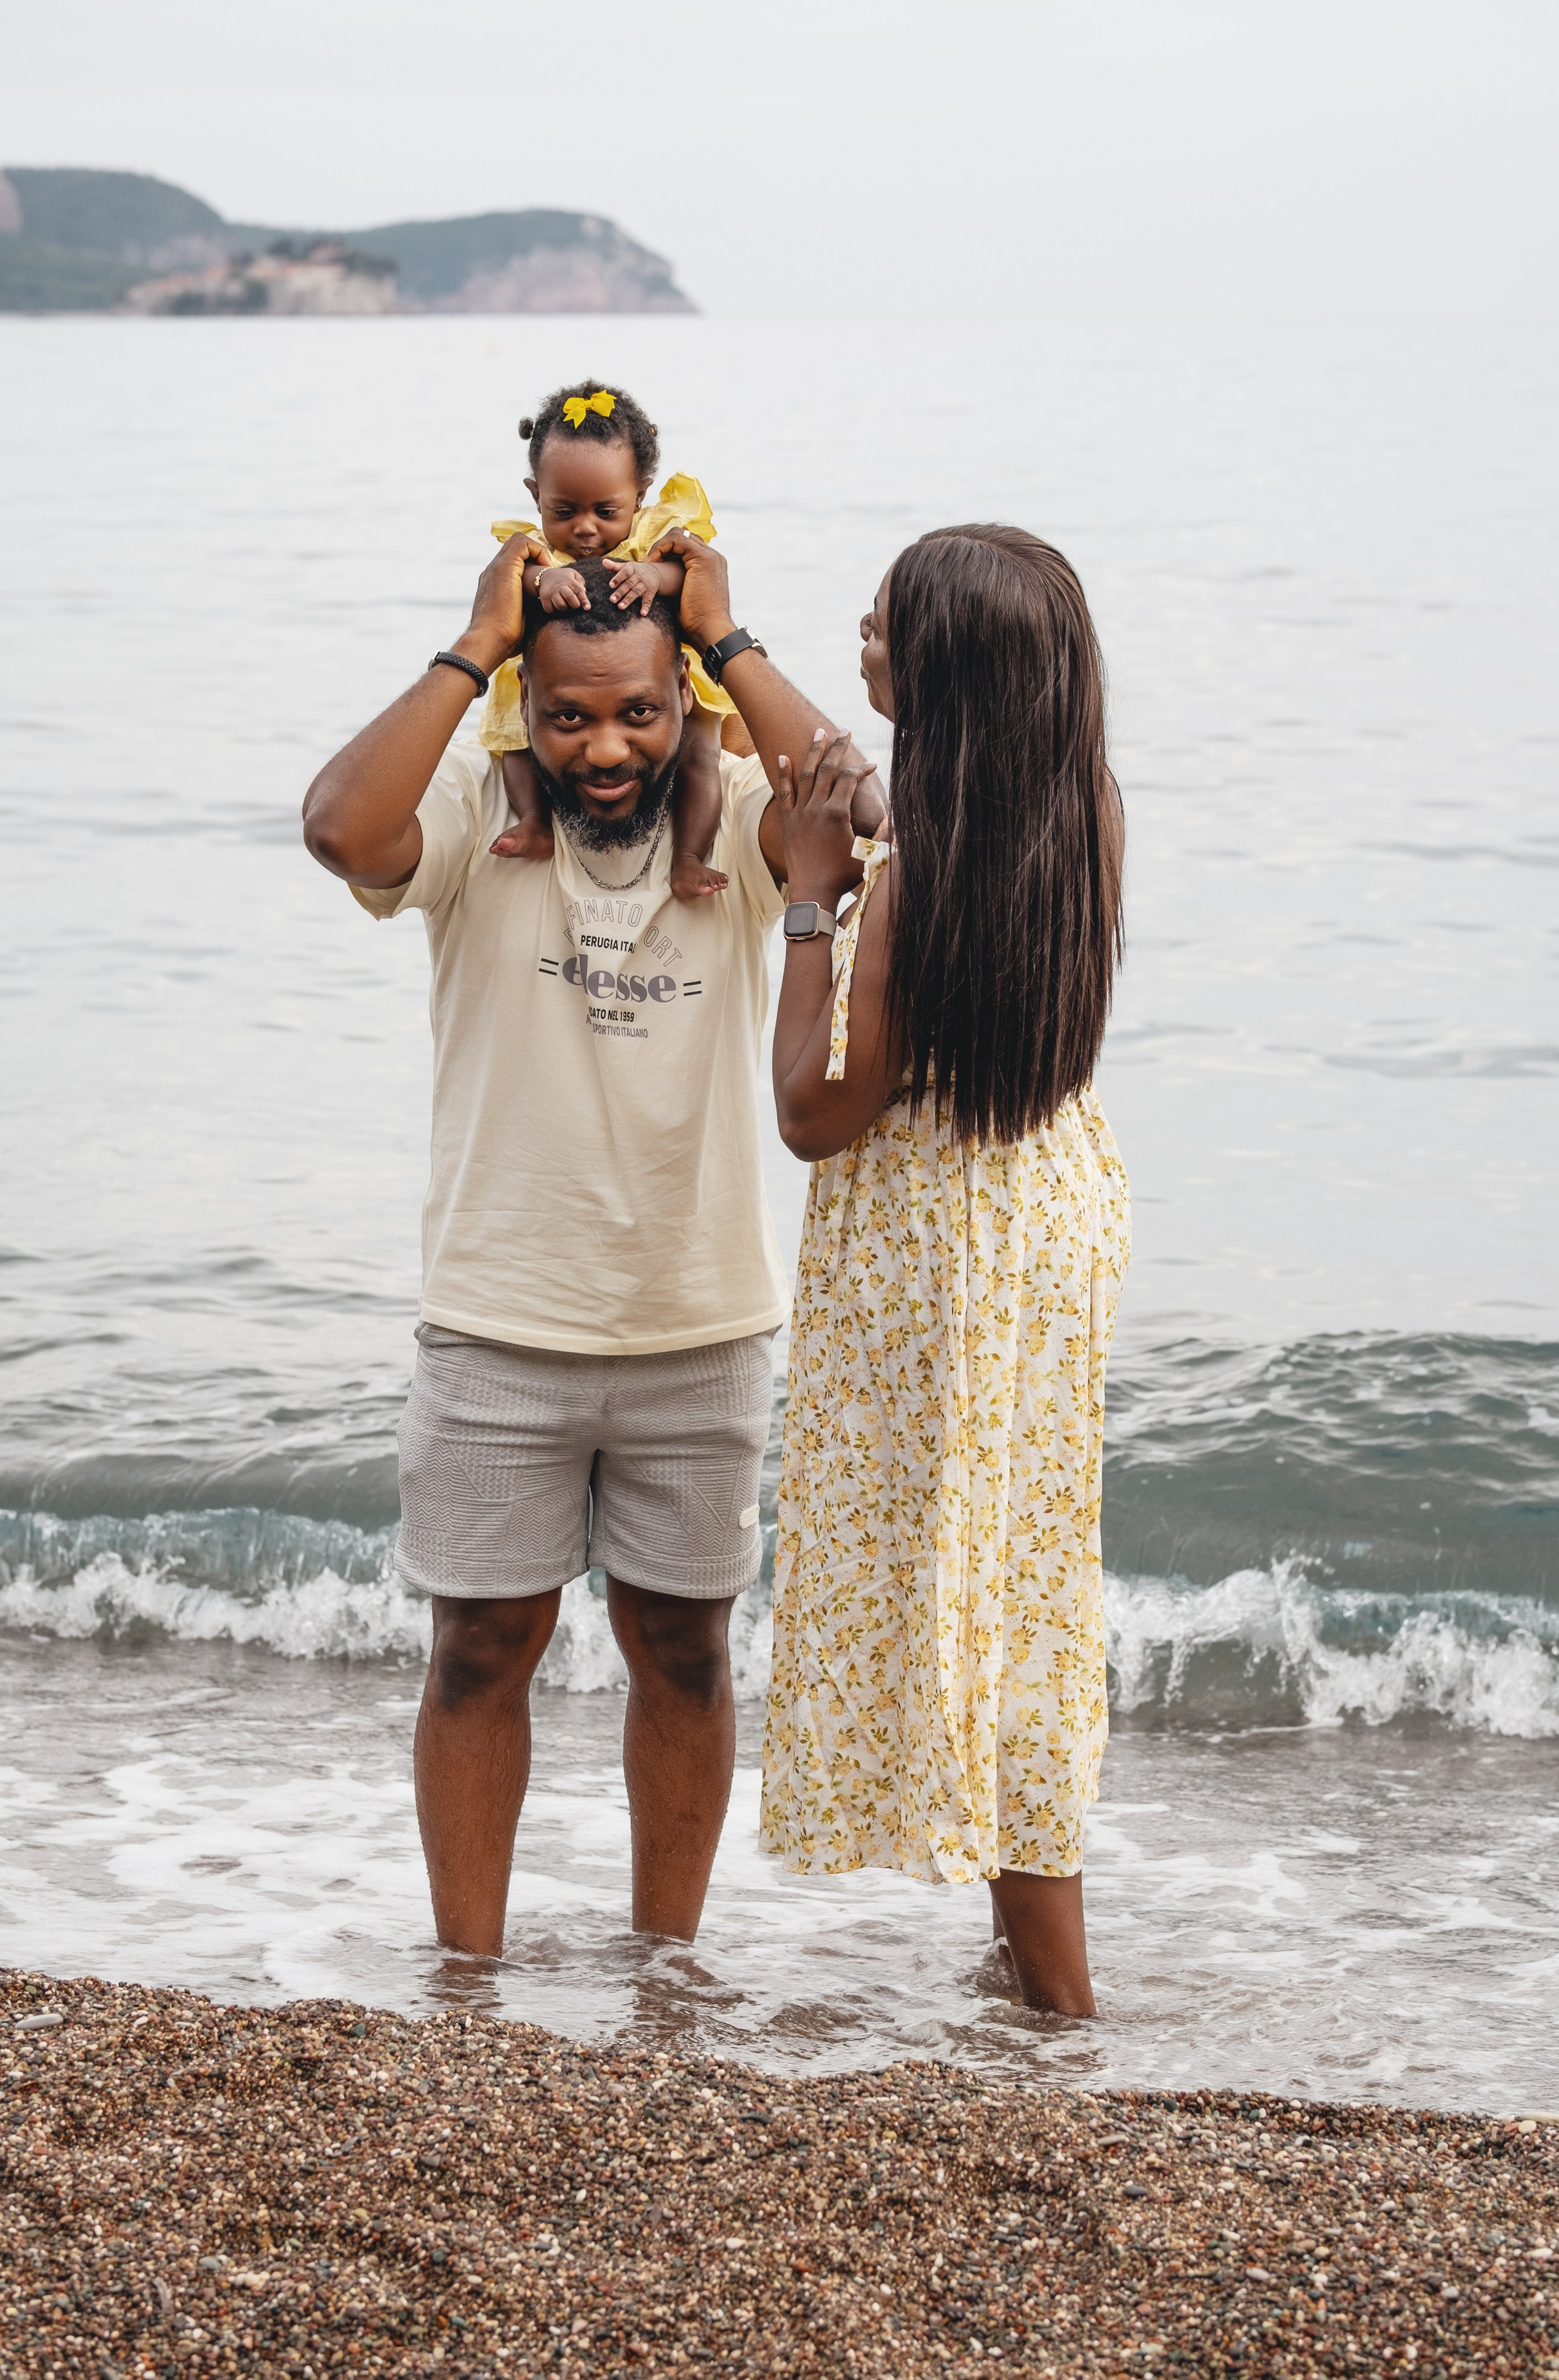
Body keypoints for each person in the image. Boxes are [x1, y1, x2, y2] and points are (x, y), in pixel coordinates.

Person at [300, 529, 880, 1956]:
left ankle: (664, 1973)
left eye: (638, 711)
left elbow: (860, 809)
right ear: (524, 712)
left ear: (683, 709)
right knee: (478, 1651)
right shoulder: (466, 812)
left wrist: (728, 639)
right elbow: (336, 828)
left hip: (699, 1327)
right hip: (501, 1321)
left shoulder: (739, 817)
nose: (605, 747)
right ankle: (468, 1982)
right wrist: (473, 645)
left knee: (682, 1654)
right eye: (568, 715)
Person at [664, 522, 1129, 2018]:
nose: (858, 630)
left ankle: (1053, 1989)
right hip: (1044, 1218)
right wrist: (729, 649)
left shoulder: (910, 883)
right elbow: (866, 782)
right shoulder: (1077, 811)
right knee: (1018, 1581)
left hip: (935, 1243)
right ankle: (1031, 1968)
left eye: (881, 623)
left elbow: (811, 1107)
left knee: (957, 1580)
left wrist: (806, 891)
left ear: (939, 675)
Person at [480, 378, 742, 901]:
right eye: (563, 511)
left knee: (701, 756)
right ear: (536, 495)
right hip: (554, 682)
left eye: (605, 511)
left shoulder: (653, 535)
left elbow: (686, 576)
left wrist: (654, 578)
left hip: (658, 679)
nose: (584, 529)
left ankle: (689, 856)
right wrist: (542, 581)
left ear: (639, 494)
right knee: (511, 741)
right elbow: (510, 590)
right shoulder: (533, 551)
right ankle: (533, 822)